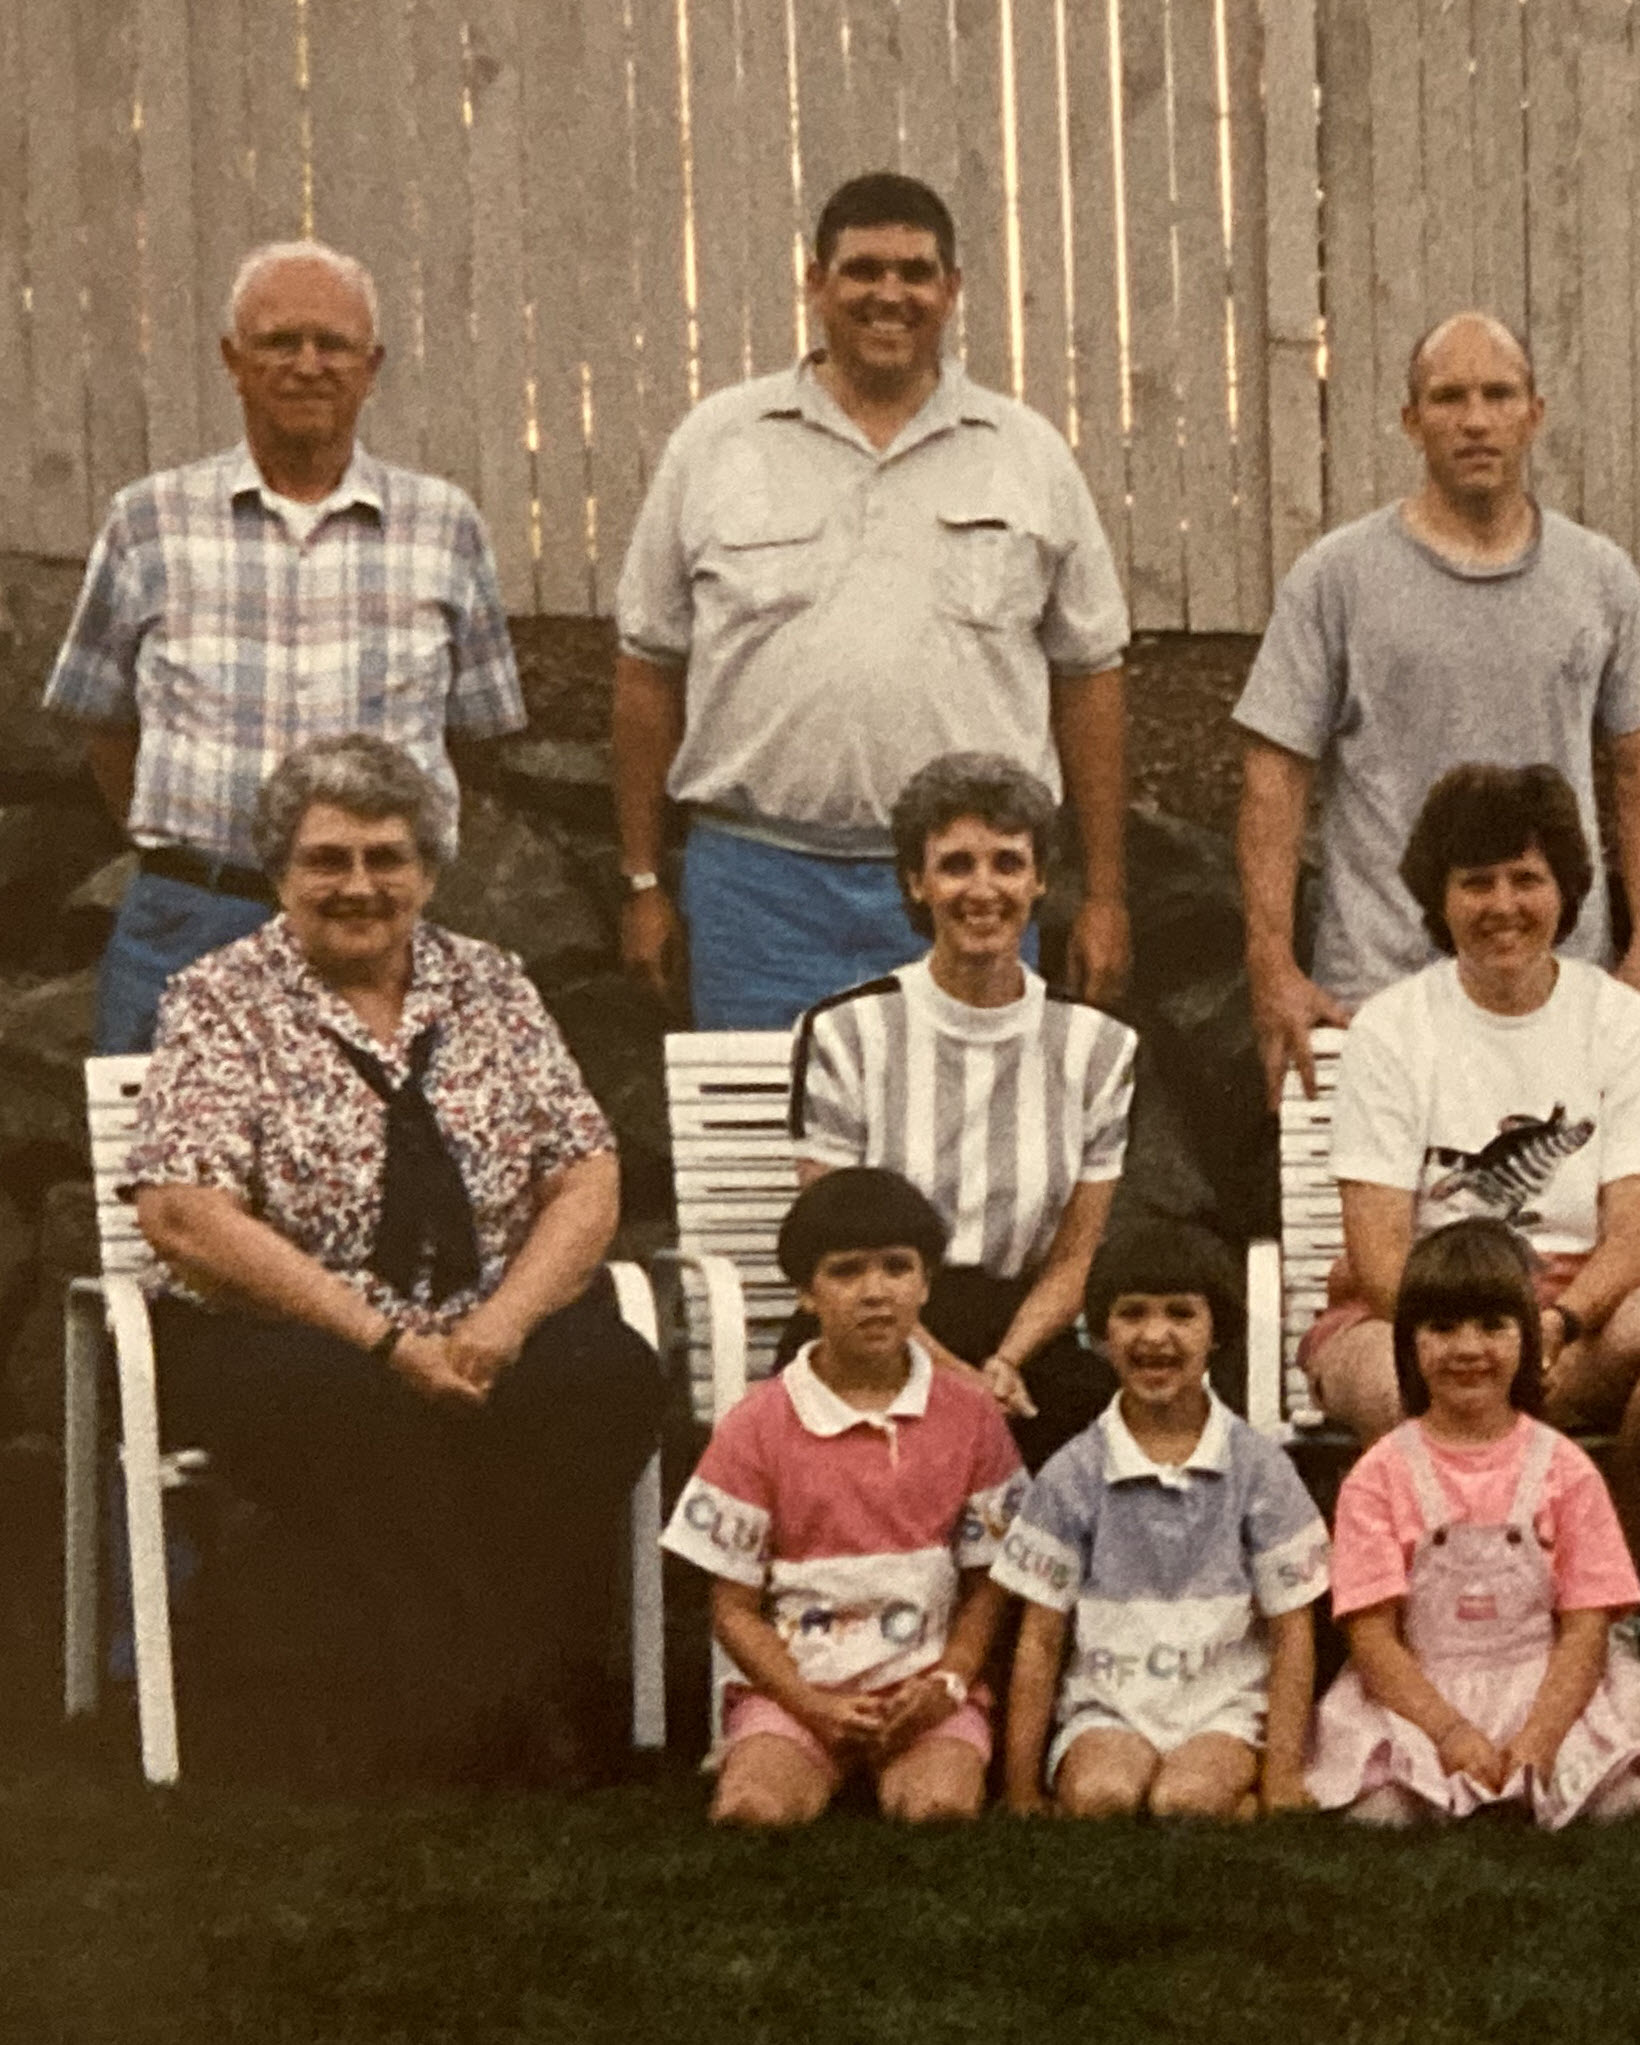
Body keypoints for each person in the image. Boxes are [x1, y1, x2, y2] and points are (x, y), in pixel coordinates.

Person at [124, 734, 656, 1785]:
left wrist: (499, 1325)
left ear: (429, 868)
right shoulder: (219, 998)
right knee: (347, 1407)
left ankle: (448, 1693)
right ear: (280, 870)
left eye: (386, 856)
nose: (359, 884)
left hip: (486, 1321)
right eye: (328, 858)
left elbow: (585, 1172)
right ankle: (504, 1699)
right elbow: (183, 1210)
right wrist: (381, 1337)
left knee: (608, 1378)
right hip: (298, 1333)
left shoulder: (492, 983)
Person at [613, 171, 1133, 1028]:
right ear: (816, 283)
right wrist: (640, 881)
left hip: (970, 885)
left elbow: (1089, 678)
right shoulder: (717, 445)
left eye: (915, 272)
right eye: (861, 271)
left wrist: (1106, 893)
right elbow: (646, 670)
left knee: (968, 1147)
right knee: (767, 1146)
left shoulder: (1026, 454)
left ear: (952, 290)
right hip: (758, 887)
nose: (889, 295)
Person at [47, 240, 524, 1056]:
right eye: (280, 342)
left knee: (384, 1175)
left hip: (374, 928)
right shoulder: (148, 521)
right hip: (191, 917)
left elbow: (473, 740)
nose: (309, 365)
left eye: (333, 344)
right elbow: (104, 721)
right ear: (232, 360)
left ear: (371, 366)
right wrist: (199, 850)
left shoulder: (444, 526)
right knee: (160, 1171)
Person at [1310, 761, 1640, 1585]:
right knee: (1373, 1378)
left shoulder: (1616, 1018)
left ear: (1565, 889)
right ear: (1439, 898)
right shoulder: (1392, 1028)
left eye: (1527, 879)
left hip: (1574, 1323)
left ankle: (1609, 1581)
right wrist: (1474, 1334)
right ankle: (1456, 1601)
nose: (1503, 905)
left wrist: (1558, 1324)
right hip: (1423, 1318)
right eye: (1477, 882)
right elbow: (1376, 1255)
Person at [1235, 310, 1640, 1099]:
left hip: (1559, 990)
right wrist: (1272, 966)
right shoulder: (1335, 579)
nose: (1474, 420)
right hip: (1377, 994)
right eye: (1447, 399)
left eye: (1498, 395)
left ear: (1534, 414)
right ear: (1411, 421)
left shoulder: (1599, 577)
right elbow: (1273, 781)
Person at [787, 750, 1140, 1473]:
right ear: (917, 882)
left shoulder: (1098, 1047)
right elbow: (839, 1239)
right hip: (870, 1317)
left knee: (1096, 1426)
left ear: (1040, 878)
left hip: (1024, 1331)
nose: (984, 889)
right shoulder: (845, 1032)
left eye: (1008, 863)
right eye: (955, 865)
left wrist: (1003, 1363)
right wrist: (950, 1373)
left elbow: (1075, 1257)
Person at [661, 1169, 1027, 1827]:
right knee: (755, 1811)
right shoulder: (758, 1421)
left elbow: (988, 1584)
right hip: (799, 1691)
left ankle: (927, 1755)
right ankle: (784, 1753)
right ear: (806, 1291)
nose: (875, 1292)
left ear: (925, 1282)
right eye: (846, 1271)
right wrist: (808, 1702)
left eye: (896, 1268)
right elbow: (733, 1609)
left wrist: (948, 1681)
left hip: (925, 1689)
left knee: (937, 1810)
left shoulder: (970, 1415)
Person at [1305, 1220, 1640, 1826]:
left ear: (1527, 1339)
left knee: (1622, 1802)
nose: (1468, 1348)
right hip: (1420, 1691)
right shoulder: (1379, 1475)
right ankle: (1439, 1784)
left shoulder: (1565, 1469)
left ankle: (1536, 1777)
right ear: (1410, 1345)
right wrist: (1449, 1732)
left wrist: (1539, 1740)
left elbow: (1584, 1629)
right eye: (1443, 1328)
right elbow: (1370, 1636)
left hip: (1539, 1684)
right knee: (1383, 1814)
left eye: (1492, 1326)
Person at [994, 1224, 1328, 1820]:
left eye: (1181, 1314)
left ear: (1216, 1331)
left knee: (1186, 1802)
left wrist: (1281, 1774)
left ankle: (1244, 1797)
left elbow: (1293, 1630)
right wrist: (1021, 1790)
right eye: (1132, 1314)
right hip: (1110, 1705)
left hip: (1222, 1706)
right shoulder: (1074, 1472)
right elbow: (1040, 1639)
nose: (1156, 1335)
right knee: (1103, 1798)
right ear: (1100, 1333)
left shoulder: (1257, 1467)